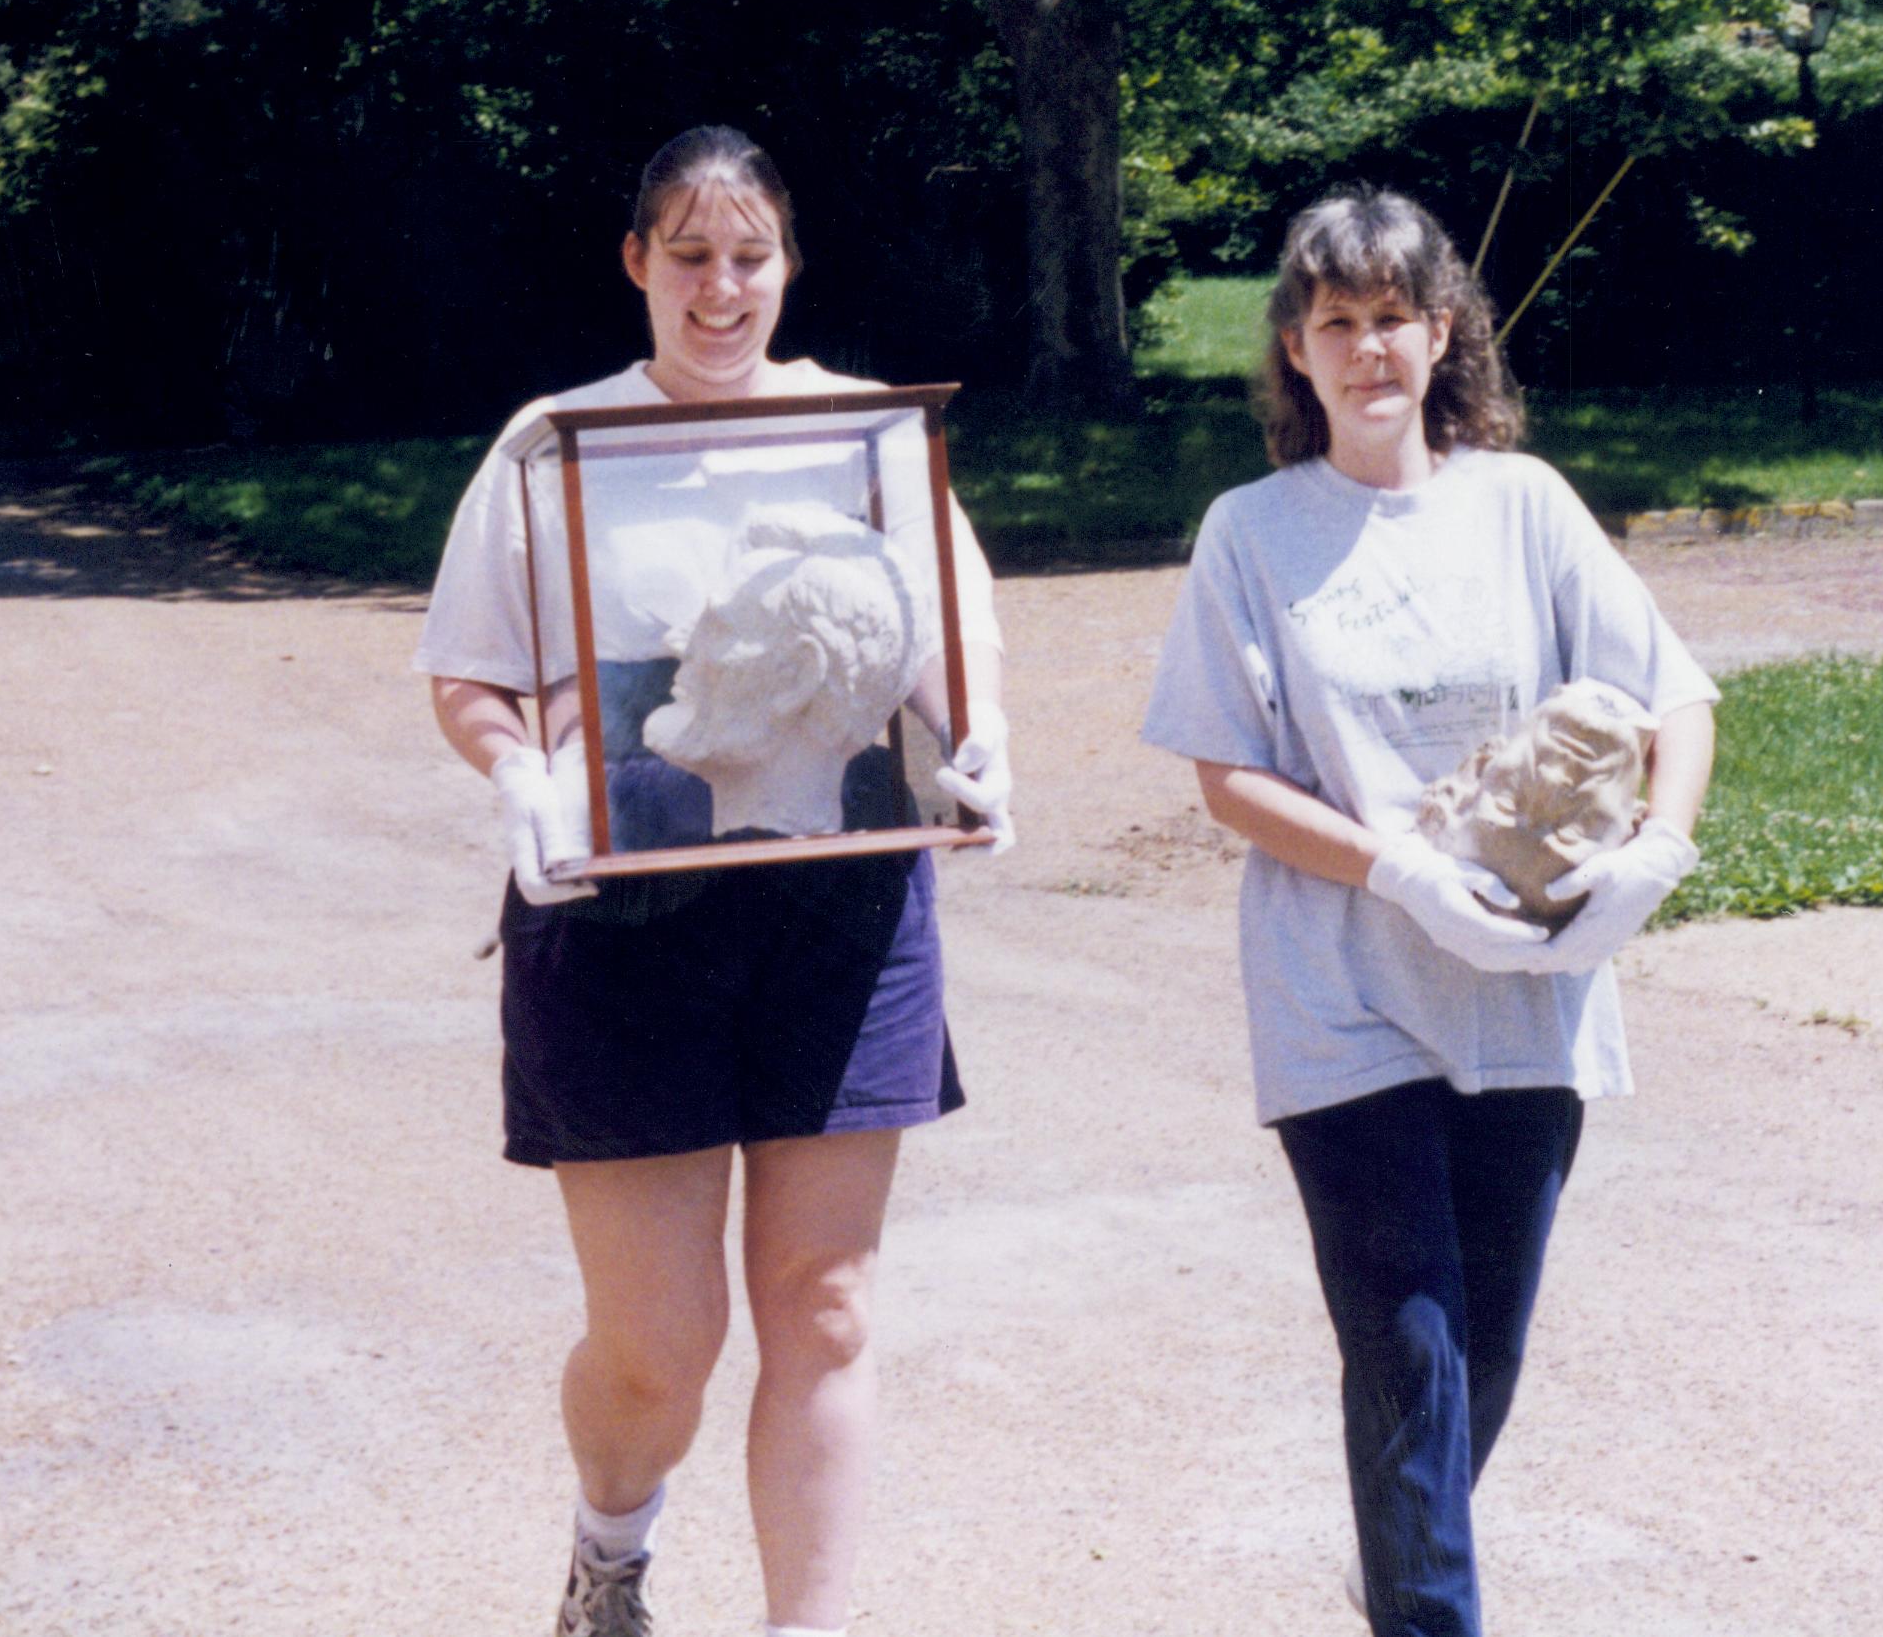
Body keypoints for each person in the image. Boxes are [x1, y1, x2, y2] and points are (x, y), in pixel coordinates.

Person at [416, 126, 1012, 1637]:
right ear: (636, 262)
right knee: (656, 1345)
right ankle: (610, 1546)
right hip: (619, 925)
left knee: (823, 1303)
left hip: (842, 913)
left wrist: (976, 748)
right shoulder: (552, 441)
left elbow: (947, 638)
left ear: (787, 266)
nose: (720, 287)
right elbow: (470, 672)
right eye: (688, 254)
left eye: (748, 255)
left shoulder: (867, 432)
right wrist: (519, 773)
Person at [1140, 186, 1716, 1637]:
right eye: (1334, 322)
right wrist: (1398, 869)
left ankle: (1406, 1551)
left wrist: (1654, 849)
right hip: (1341, 987)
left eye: (1392, 316)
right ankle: (1428, 1605)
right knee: (1404, 1340)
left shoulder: (1520, 503)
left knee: (1486, 1350)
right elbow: (1225, 773)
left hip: (1524, 985)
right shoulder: (1252, 533)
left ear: (1441, 329)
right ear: (1292, 349)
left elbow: (1677, 695)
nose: (1366, 347)